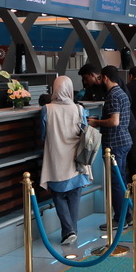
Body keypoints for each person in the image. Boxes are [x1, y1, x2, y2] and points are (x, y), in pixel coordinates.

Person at [40, 76, 92, 246]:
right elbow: (84, 130)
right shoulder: (78, 108)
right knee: (74, 194)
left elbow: (43, 135)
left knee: (58, 194)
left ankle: (68, 231)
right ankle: (71, 230)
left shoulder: (47, 109)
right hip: (75, 158)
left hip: (55, 158)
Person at [88, 65, 133, 229]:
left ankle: (119, 219)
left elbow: (114, 121)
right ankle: (127, 216)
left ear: (105, 77)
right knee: (121, 180)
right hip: (124, 141)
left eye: (100, 78)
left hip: (115, 143)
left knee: (116, 182)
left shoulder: (113, 95)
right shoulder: (122, 92)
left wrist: (95, 122)